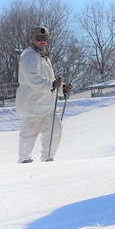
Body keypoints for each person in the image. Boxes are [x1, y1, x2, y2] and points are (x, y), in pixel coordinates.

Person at [16, 26, 71, 163]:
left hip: (47, 102)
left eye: (44, 39)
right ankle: (24, 159)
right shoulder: (29, 56)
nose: (42, 41)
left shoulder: (43, 57)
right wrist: (52, 85)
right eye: (38, 39)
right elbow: (32, 77)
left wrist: (62, 87)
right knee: (30, 131)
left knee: (55, 128)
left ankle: (48, 157)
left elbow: (49, 79)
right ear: (32, 40)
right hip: (33, 102)